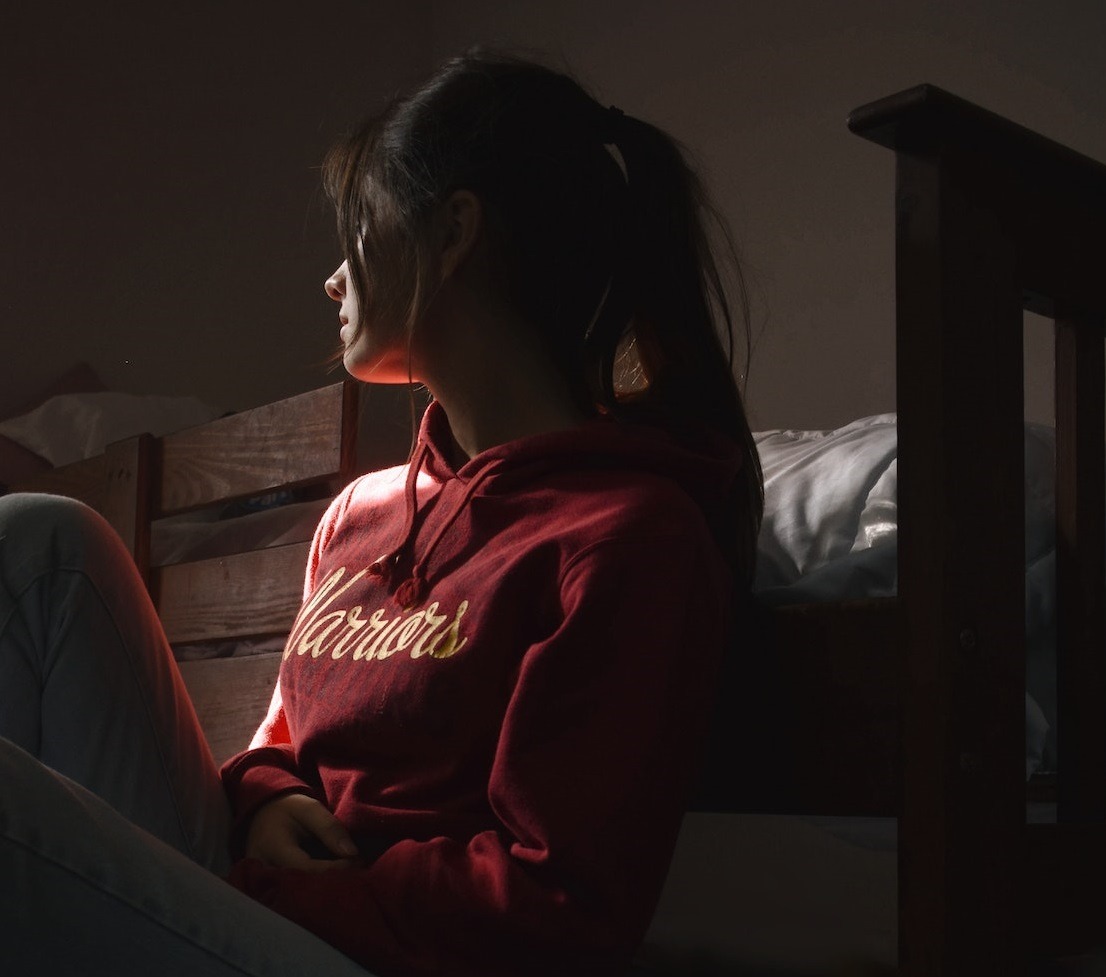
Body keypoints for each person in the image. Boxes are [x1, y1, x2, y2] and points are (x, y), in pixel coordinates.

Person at [0, 50, 761, 977]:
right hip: (262, 908)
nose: (332, 279)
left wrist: (272, 893)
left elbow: (552, 905)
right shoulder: (360, 514)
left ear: (452, 233)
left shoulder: (624, 536)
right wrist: (265, 796)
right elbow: (278, 744)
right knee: (44, 541)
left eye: (358, 227)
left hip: (381, 953)